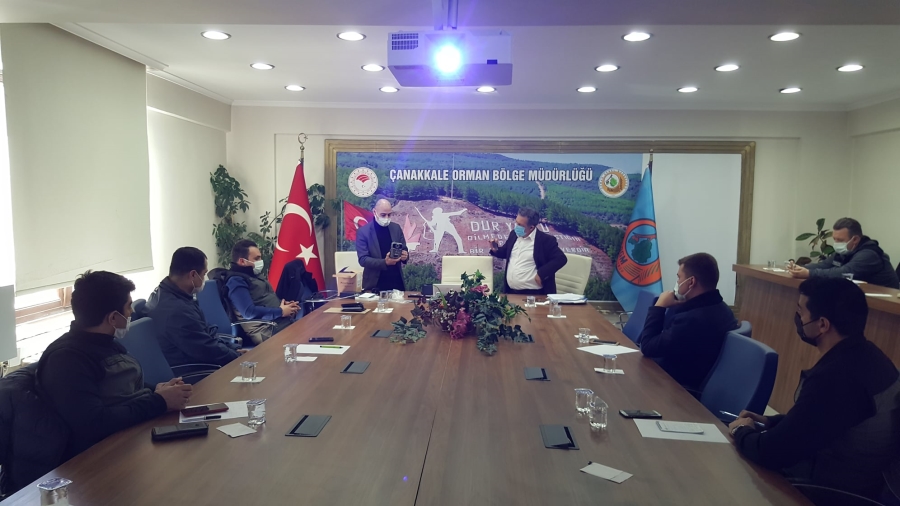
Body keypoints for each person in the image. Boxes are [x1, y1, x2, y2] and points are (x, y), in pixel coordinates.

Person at [729, 277, 900, 501]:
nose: (797, 318)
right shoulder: (869, 356)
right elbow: (825, 422)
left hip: (831, 490)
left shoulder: (836, 377)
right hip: (859, 477)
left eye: (801, 312)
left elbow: (772, 453)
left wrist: (741, 431)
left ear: (822, 325)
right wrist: (772, 422)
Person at [36, 271, 193, 459]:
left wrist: (158, 390)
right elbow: (93, 423)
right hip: (96, 459)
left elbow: (125, 388)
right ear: (112, 318)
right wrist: (159, 401)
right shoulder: (66, 361)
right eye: (128, 306)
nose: (132, 312)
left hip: (131, 439)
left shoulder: (104, 343)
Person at [638, 253, 737, 394]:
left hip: (678, 391)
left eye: (679, 278)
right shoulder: (722, 309)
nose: (677, 283)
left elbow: (648, 347)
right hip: (695, 379)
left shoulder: (691, 321)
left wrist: (659, 307)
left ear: (691, 282)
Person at [148, 247, 244, 371]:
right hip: (193, 371)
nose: (204, 278)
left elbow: (207, 333)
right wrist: (238, 356)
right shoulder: (177, 311)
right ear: (193, 275)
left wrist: (235, 349)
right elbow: (207, 349)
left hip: (200, 358)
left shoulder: (170, 293)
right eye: (204, 274)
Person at [223, 240, 299, 345]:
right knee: (306, 338)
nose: (261, 261)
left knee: (312, 330)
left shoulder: (254, 275)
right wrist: (281, 311)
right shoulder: (236, 281)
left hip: (279, 323)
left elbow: (264, 299)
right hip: (266, 331)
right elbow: (248, 312)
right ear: (242, 261)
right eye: (256, 258)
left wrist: (285, 306)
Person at [790, 217, 899, 289]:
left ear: (855, 239)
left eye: (840, 240)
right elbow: (824, 265)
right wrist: (799, 268)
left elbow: (844, 273)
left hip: (888, 306)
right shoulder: (846, 251)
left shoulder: (869, 254)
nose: (836, 243)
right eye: (834, 239)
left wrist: (809, 273)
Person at [489, 207, 567, 295]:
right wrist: (495, 249)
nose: (516, 226)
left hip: (533, 294)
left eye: (520, 225)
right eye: (516, 222)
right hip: (511, 292)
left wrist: (541, 274)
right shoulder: (514, 234)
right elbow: (506, 252)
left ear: (531, 227)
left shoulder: (545, 240)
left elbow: (561, 259)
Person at [356, 199, 409, 292]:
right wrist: (385, 262)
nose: (387, 218)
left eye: (389, 215)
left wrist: (405, 256)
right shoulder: (363, 232)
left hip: (396, 281)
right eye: (383, 215)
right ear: (374, 212)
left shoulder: (396, 228)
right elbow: (363, 260)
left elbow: (404, 249)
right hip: (374, 284)